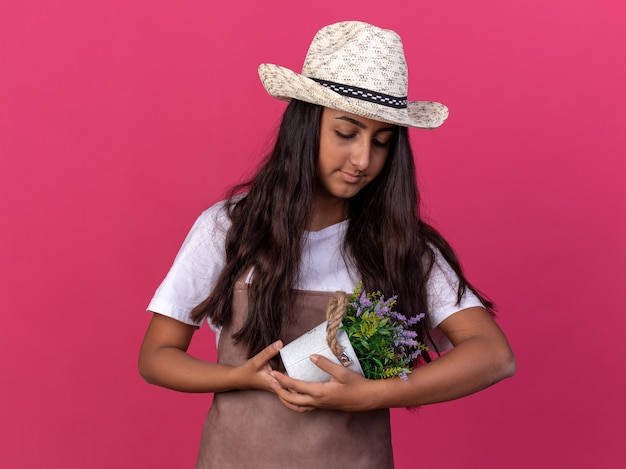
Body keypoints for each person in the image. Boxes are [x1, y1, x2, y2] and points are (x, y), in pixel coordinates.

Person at [139, 21, 515, 468]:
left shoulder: (400, 246)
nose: (363, 160)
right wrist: (241, 376)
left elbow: (494, 356)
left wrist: (375, 394)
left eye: (381, 142)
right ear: (306, 124)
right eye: (346, 133)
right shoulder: (228, 228)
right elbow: (156, 357)